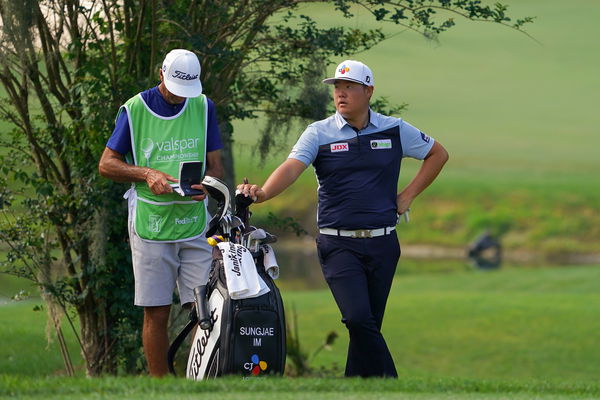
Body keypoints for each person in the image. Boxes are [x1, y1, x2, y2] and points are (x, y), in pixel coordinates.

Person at [237, 60, 448, 378]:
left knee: (368, 326)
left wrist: (407, 196)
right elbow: (292, 167)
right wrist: (264, 193)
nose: (341, 93)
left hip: (384, 243)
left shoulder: (395, 129)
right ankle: (392, 383)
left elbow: (438, 154)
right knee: (358, 319)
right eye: (337, 87)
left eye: (349, 87)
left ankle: (355, 385)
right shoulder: (319, 133)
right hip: (338, 243)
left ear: (369, 91)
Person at [98, 49, 224, 377]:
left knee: (205, 310)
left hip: (194, 223)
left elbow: (216, 168)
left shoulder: (203, 106)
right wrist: (146, 174)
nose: (180, 97)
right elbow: (107, 164)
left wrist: (207, 187)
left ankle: (196, 381)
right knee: (157, 312)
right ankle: (161, 388)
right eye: (174, 89)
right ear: (160, 75)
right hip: (151, 224)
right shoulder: (135, 110)